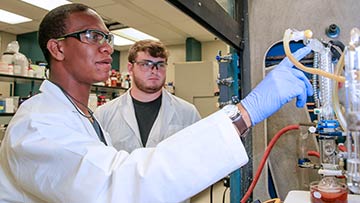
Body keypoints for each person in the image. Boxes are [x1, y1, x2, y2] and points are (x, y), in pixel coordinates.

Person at [0, 3, 313, 203]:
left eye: (108, 39)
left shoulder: (84, 118)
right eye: (93, 36)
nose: (108, 48)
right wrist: (247, 112)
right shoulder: (37, 125)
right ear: (57, 48)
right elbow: (117, 186)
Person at [94, 40, 201, 153]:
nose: (154, 71)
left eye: (160, 65)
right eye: (145, 64)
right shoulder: (104, 114)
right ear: (130, 68)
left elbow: (199, 157)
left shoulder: (188, 113)